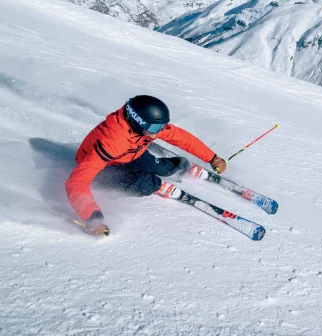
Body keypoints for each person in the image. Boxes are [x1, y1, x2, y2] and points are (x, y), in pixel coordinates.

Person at [65, 95, 226, 236]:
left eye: (160, 127)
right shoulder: (111, 142)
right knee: (144, 184)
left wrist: (212, 157)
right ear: (137, 121)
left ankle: (179, 166)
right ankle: (154, 184)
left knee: (164, 168)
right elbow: (77, 181)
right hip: (104, 168)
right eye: (154, 129)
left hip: (132, 153)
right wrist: (93, 219)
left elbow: (181, 137)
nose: (157, 133)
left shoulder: (148, 125)